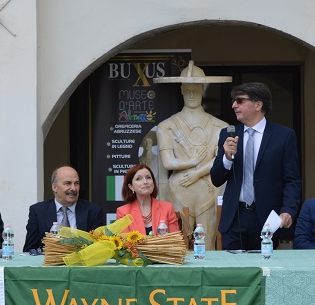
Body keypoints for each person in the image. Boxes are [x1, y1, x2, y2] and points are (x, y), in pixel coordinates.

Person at [210, 82, 301, 250]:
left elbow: (292, 179)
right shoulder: (228, 134)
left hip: (267, 218)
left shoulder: (284, 136)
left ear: (258, 104)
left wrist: (288, 210)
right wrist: (227, 158)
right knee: (234, 273)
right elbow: (216, 178)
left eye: (240, 101)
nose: (234, 105)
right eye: (234, 101)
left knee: (264, 270)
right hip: (234, 217)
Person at [155, 61, 230, 250]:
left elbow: (221, 158)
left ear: (202, 89)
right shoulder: (166, 126)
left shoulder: (220, 126)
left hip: (209, 192)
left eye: (195, 90)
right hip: (179, 191)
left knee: (209, 247)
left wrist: (198, 172)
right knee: (178, 248)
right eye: (187, 90)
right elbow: (167, 162)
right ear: (181, 90)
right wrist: (192, 161)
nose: (191, 94)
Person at [23, 166, 104, 252]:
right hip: (49, 263)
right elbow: (29, 249)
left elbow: (98, 248)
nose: (73, 188)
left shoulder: (93, 211)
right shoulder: (38, 211)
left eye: (76, 183)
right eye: (68, 183)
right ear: (54, 187)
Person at [115, 164, 179, 235]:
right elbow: (125, 243)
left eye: (148, 177)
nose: (145, 182)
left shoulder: (167, 208)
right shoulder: (123, 212)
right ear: (131, 187)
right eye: (139, 179)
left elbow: (175, 240)